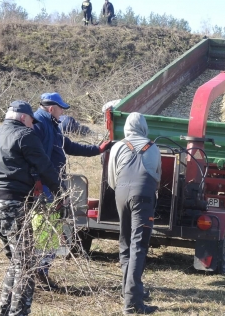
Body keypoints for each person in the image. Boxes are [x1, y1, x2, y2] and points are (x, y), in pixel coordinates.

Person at [0, 100, 63, 316]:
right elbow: (44, 165)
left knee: (18, 263)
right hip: (12, 206)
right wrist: (60, 192)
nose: (31, 125)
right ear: (23, 118)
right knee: (27, 266)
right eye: (30, 121)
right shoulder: (25, 135)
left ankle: (3, 311)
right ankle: (18, 313)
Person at [31, 92, 114, 289]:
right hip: (45, 187)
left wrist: (97, 149)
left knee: (53, 226)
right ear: (52, 108)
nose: (62, 113)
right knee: (45, 227)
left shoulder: (53, 125)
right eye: (61, 109)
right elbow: (37, 159)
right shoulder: (40, 125)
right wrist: (40, 185)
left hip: (53, 186)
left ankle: (42, 269)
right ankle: (39, 270)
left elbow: (68, 146)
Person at [107, 112, 161, 315]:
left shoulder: (118, 146)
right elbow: (156, 178)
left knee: (125, 242)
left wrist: (124, 191)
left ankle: (130, 290)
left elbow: (111, 178)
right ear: (144, 127)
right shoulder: (153, 147)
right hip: (143, 195)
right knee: (139, 245)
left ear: (127, 127)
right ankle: (132, 303)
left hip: (120, 193)